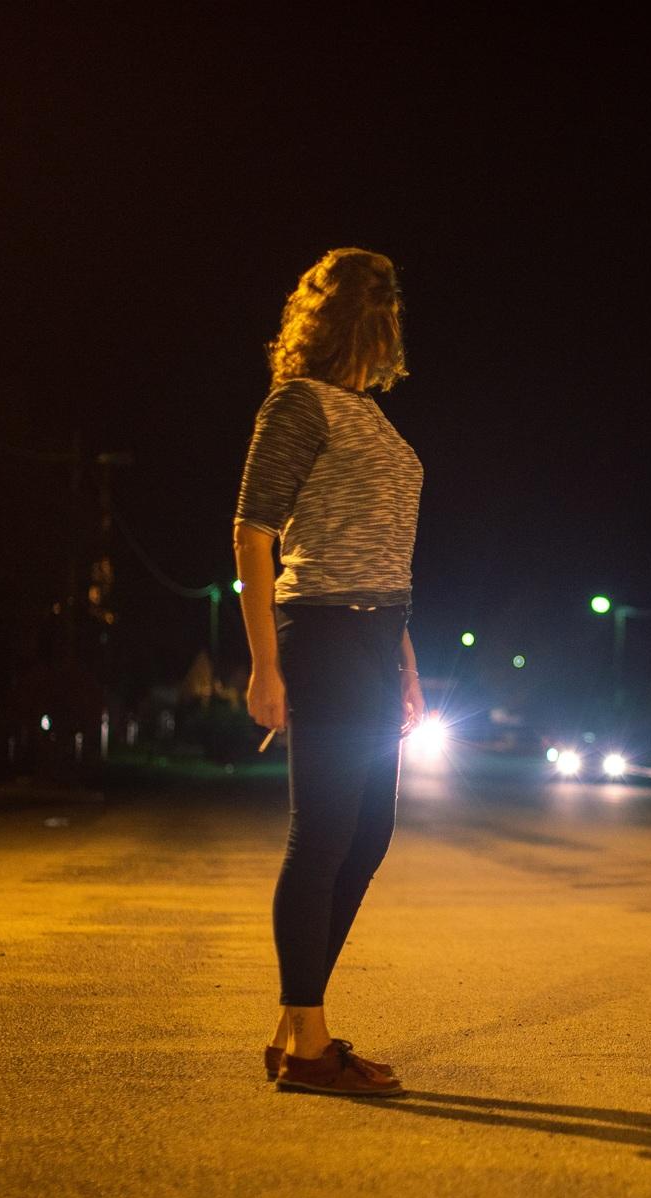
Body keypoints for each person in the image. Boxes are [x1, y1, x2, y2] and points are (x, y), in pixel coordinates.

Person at [233, 247, 423, 1096]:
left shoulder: (373, 418)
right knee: (324, 835)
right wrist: (264, 663)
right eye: (381, 311)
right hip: (322, 636)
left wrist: (407, 659)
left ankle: (294, 1029)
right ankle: (308, 1043)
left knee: (369, 836)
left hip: (379, 641)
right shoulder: (297, 405)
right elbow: (252, 532)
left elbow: (383, 551)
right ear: (357, 320)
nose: (390, 327)